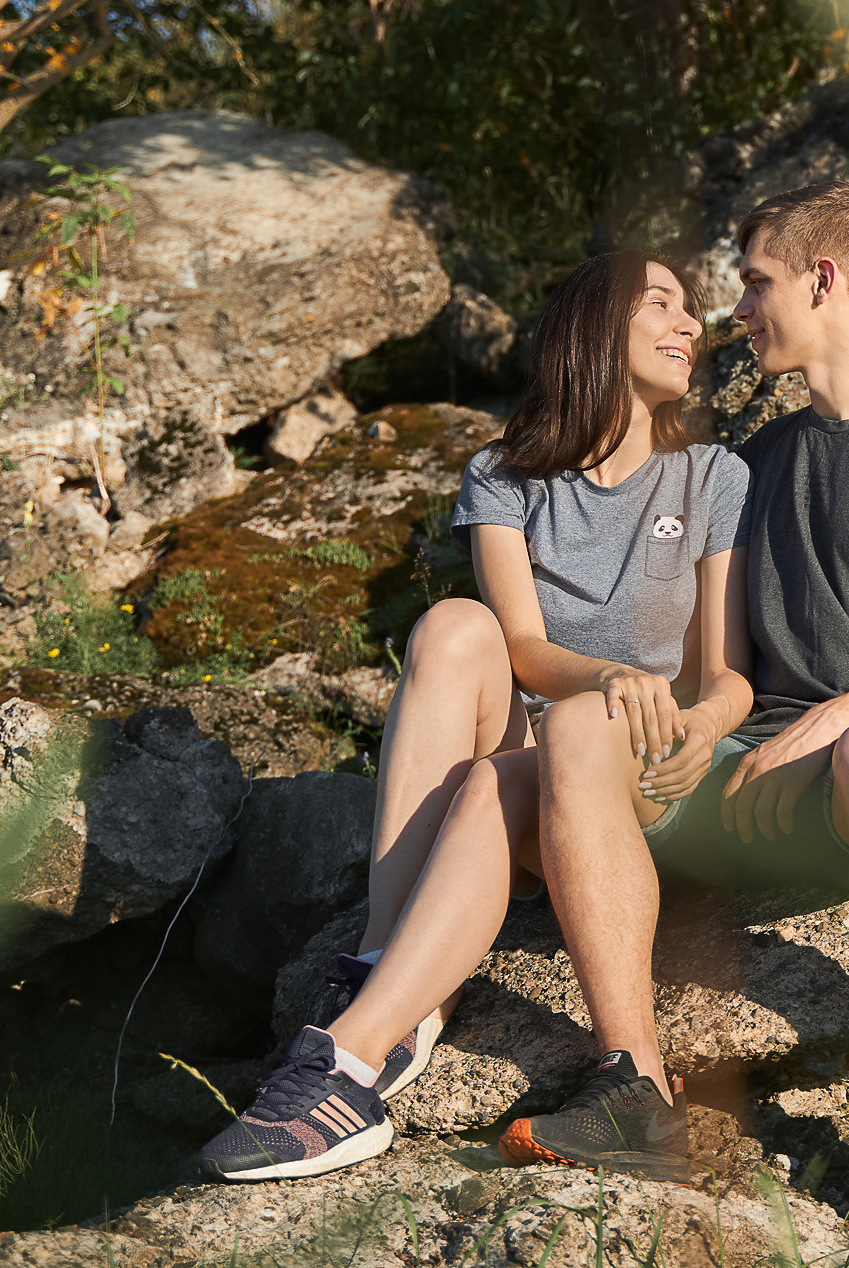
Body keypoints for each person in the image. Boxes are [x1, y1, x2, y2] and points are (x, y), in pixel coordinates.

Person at [502, 181, 849, 1268]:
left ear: (823, 281)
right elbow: (716, 665)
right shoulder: (753, 465)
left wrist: (831, 721)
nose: (735, 311)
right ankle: (630, 1091)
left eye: (755, 283)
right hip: (743, 774)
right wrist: (693, 726)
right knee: (578, 733)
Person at [196, 251, 753, 1181]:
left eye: (693, 310)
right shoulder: (503, 473)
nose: (692, 324)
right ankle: (390, 972)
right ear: (593, 329)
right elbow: (524, 647)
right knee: (456, 624)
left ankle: (350, 1054)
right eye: (663, 303)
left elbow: (730, 674)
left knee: (530, 761)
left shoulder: (712, 476)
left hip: (626, 777)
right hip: (534, 743)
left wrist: (699, 727)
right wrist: (609, 670)